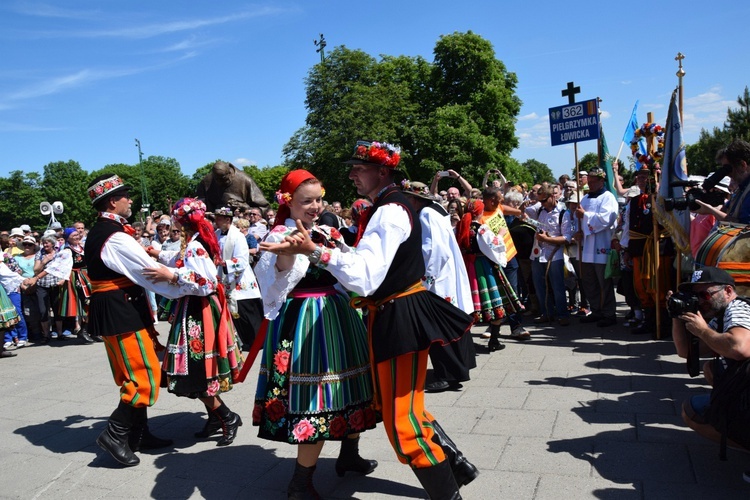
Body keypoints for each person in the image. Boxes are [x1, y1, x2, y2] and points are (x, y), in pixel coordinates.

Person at [261, 141, 478, 499]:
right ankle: (454, 465)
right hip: (386, 313)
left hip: (398, 316)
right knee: (397, 405)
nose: (351, 175)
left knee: (402, 421)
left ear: (383, 171)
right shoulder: (396, 204)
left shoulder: (389, 210)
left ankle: (449, 489)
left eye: (358, 169)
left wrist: (315, 251)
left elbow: (365, 276)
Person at [252, 170, 377, 498]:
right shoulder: (280, 233)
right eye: (306, 200)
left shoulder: (328, 229)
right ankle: (300, 482)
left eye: (318, 198)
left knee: (351, 388)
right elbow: (276, 277)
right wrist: (288, 251)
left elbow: (351, 267)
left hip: (339, 312)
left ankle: (349, 455)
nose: (315, 205)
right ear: (288, 202)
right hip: (305, 319)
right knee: (314, 397)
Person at [84, 173, 178, 467]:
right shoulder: (114, 236)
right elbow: (149, 272)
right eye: (126, 196)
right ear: (113, 202)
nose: (131, 200)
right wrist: (184, 284)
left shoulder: (107, 231)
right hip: (121, 312)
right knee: (143, 375)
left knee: (136, 370)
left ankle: (138, 434)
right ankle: (114, 434)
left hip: (121, 309)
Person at [145, 198, 244, 447]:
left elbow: (207, 282)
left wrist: (172, 275)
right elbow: (182, 259)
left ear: (182, 220)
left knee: (196, 369)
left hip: (198, 313)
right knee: (196, 368)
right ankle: (215, 418)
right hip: (196, 310)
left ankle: (227, 417)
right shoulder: (194, 242)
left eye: (175, 218)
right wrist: (159, 255)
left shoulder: (194, 246)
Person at [402, 180, 476, 393]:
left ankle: (447, 375)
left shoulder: (426, 215)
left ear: (414, 199)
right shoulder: (435, 211)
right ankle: (456, 369)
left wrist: (425, 279)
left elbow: (433, 250)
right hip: (445, 276)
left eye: (407, 199)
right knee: (451, 325)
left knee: (440, 328)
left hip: (438, 279)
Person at [671, 267, 750, 450]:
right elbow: (685, 351)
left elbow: (739, 348)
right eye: (695, 296)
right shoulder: (719, 316)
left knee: (692, 412)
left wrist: (703, 330)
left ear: (728, 291)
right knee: (711, 369)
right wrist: (676, 315)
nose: (699, 301)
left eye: (705, 295)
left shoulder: (738, 307)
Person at [213, 206, 263, 348]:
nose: (216, 221)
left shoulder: (238, 236)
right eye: (216, 218)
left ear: (228, 220)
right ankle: (237, 340)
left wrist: (224, 263)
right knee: (231, 311)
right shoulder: (216, 234)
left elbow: (242, 260)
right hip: (224, 277)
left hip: (240, 280)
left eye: (219, 218)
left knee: (246, 312)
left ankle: (255, 342)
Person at [574, 167, 619, 327]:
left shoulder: (608, 198)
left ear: (601, 181)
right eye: (589, 182)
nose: (590, 185)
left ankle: (609, 313)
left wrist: (585, 215)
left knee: (603, 282)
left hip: (601, 245)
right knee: (589, 281)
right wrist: (577, 230)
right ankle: (596, 309)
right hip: (586, 247)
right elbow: (577, 217)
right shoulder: (585, 198)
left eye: (593, 182)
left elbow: (607, 218)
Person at [526, 185, 574, 326]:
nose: (542, 203)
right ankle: (546, 313)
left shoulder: (563, 213)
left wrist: (547, 239)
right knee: (539, 285)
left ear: (553, 196)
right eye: (540, 201)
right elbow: (524, 215)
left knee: (557, 286)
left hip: (555, 254)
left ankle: (562, 314)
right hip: (538, 253)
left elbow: (566, 238)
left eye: (544, 200)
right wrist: (524, 205)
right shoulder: (540, 209)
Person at [51, 227, 95, 344]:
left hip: (86, 276)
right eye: (73, 235)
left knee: (92, 303)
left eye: (77, 235)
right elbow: (57, 266)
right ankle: (83, 330)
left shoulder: (81, 247)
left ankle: (90, 330)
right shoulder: (67, 251)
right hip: (76, 278)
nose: (76, 237)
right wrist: (38, 277)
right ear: (67, 238)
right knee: (86, 303)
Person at [196, 160, 270, 213]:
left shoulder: (245, 180)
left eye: (223, 179)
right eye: (217, 179)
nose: (220, 182)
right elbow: (199, 202)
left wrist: (245, 208)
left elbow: (264, 208)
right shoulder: (206, 181)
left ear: (229, 173)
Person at [722, 139, 750, 224]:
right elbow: (726, 210)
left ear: (742, 165)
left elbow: (745, 228)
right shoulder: (742, 189)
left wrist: (710, 210)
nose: (727, 174)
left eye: (728, 169)